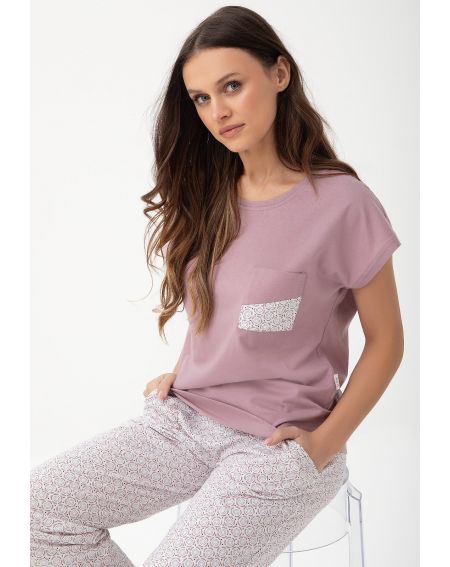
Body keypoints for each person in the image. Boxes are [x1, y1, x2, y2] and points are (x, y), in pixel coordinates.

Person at [30, 5, 404, 566]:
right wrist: (190, 367)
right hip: (184, 420)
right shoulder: (210, 195)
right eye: (201, 98)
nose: (218, 111)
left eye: (232, 86)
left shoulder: (343, 205)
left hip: (276, 445)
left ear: (280, 73)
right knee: (31, 510)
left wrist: (322, 447)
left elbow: (387, 342)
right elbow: (228, 309)